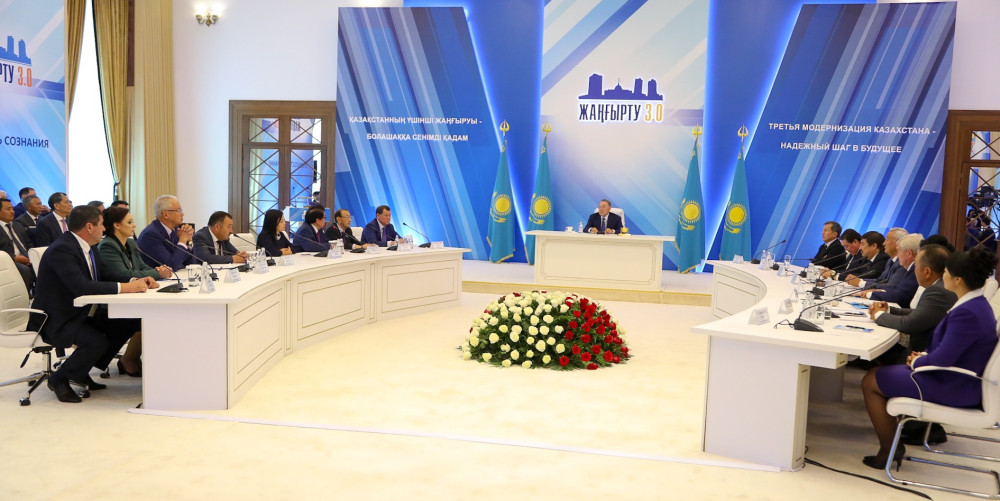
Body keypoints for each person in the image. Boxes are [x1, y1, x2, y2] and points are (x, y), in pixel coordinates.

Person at [860, 248, 998, 469]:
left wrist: (917, 361)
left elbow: (944, 358)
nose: (943, 275)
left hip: (954, 385)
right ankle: (892, 445)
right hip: (958, 378)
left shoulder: (967, 312)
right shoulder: (977, 304)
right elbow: (954, 350)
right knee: (876, 374)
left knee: (871, 381)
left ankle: (889, 450)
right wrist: (924, 356)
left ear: (958, 279)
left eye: (946, 272)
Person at [28, 205, 158, 402]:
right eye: (101, 225)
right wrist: (126, 288)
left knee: (128, 322)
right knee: (96, 341)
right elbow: (81, 286)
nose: (104, 229)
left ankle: (80, 370)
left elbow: (106, 274)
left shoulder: (88, 246)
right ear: (89, 227)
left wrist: (136, 281)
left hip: (79, 312)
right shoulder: (62, 249)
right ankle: (59, 378)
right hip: (56, 318)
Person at [98, 206, 173, 281]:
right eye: (129, 222)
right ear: (117, 225)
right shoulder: (107, 246)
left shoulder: (131, 243)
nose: (134, 225)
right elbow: (124, 274)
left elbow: (142, 267)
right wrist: (158, 273)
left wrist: (160, 270)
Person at [137, 195, 196, 271]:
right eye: (178, 210)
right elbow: (170, 266)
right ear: (165, 214)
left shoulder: (175, 230)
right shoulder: (150, 235)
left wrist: (189, 241)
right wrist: (182, 241)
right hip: (155, 277)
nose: (182, 214)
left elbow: (190, 262)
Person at [860, 233, 921, 307]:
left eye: (898, 251)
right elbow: (893, 288)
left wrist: (870, 293)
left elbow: (899, 296)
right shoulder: (910, 268)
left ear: (909, 253)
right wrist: (878, 291)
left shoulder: (915, 270)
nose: (897, 255)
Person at [0, 197, 35, 290]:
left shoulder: (17, 225)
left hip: (27, 256)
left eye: (12, 208)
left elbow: (28, 243)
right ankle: (25, 295)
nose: (12, 212)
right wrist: (14, 258)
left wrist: (32, 254)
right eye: (8, 209)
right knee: (24, 269)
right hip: (9, 260)